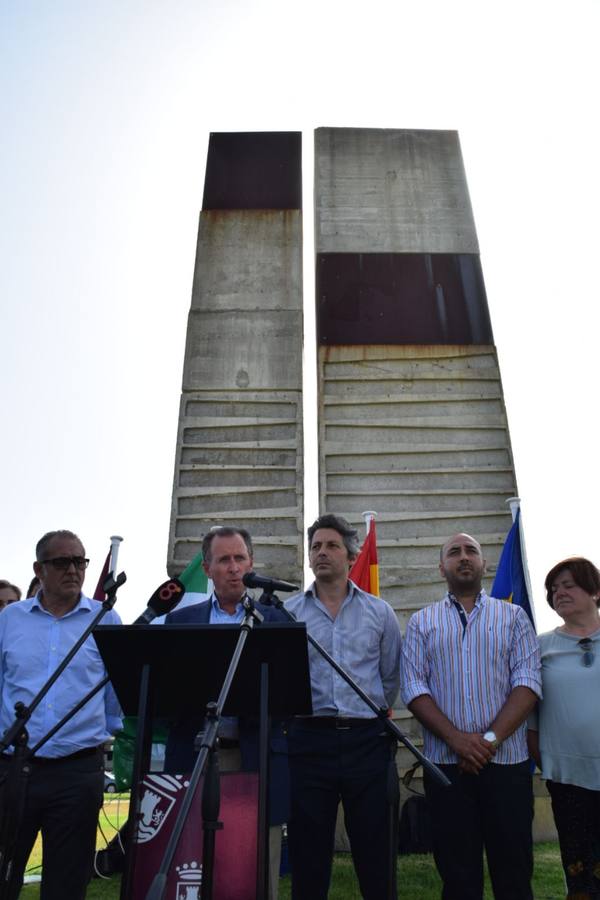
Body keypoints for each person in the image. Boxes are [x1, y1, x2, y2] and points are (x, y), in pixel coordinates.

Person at [401, 532, 541, 900]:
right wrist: (457, 740)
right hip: (447, 768)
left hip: (507, 766)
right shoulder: (421, 622)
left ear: (484, 564)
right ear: (442, 566)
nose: (464, 557)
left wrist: (487, 741)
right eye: (454, 552)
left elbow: (527, 684)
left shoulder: (513, 617)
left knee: (513, 872)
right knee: (458, 874)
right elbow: (414, 688)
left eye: (471, 551)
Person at [164, 526, 289, 900]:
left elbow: (290, 696)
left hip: (255, 757)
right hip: (196, 755)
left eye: (239, 559)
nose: (233, 568)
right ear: (207, 568)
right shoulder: (181, 622)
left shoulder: (276, 620)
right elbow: (167, 699)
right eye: (224, 560)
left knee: (256, 869)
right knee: (195, 863)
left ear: (251, 564)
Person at [285, 513, 402, 900]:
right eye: (315, 546)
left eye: (331, 545)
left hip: (366, 742)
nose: (322, 552)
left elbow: (389, 677)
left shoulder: (379, 612)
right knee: (308, 853)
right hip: (308, 744)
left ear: (351, 556)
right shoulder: (287, 613)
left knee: (376, 853)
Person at [0, 529, 122, 899]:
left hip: (77, 773)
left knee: (67, 885)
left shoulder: (106, 619)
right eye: (61, 562)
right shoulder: (10, 620)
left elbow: (114, 693)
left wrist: (102, 737)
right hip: (13, 769)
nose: (73, 570)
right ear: (39, 569)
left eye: (80, 561)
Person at [527, 557, 600, 899]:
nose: (560, 593)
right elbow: (529, 717)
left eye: (569, 585)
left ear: (595, 591)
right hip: (568, 779)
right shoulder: (539, 647)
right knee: (580, 874)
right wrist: (547, 763)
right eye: (554, 589)